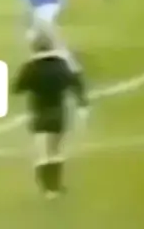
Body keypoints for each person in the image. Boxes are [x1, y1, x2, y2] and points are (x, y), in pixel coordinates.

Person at [12, 31, 89, 199]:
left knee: (43, 152)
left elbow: (16, 88)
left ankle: (47, 189)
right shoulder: (61, 64)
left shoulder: (31, 67)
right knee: (56, 150)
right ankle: (56, 186)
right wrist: (82, 103)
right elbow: (74, 83)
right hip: (58, 111)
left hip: (39, 112)